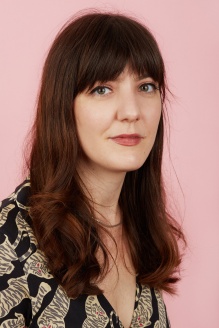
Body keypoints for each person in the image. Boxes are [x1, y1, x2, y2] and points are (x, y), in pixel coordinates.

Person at [0, 11, 185, 327]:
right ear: (63, 106)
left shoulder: (142, 230)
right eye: (102, 89)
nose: (131, 111)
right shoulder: (10, 240)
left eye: (147, 86)